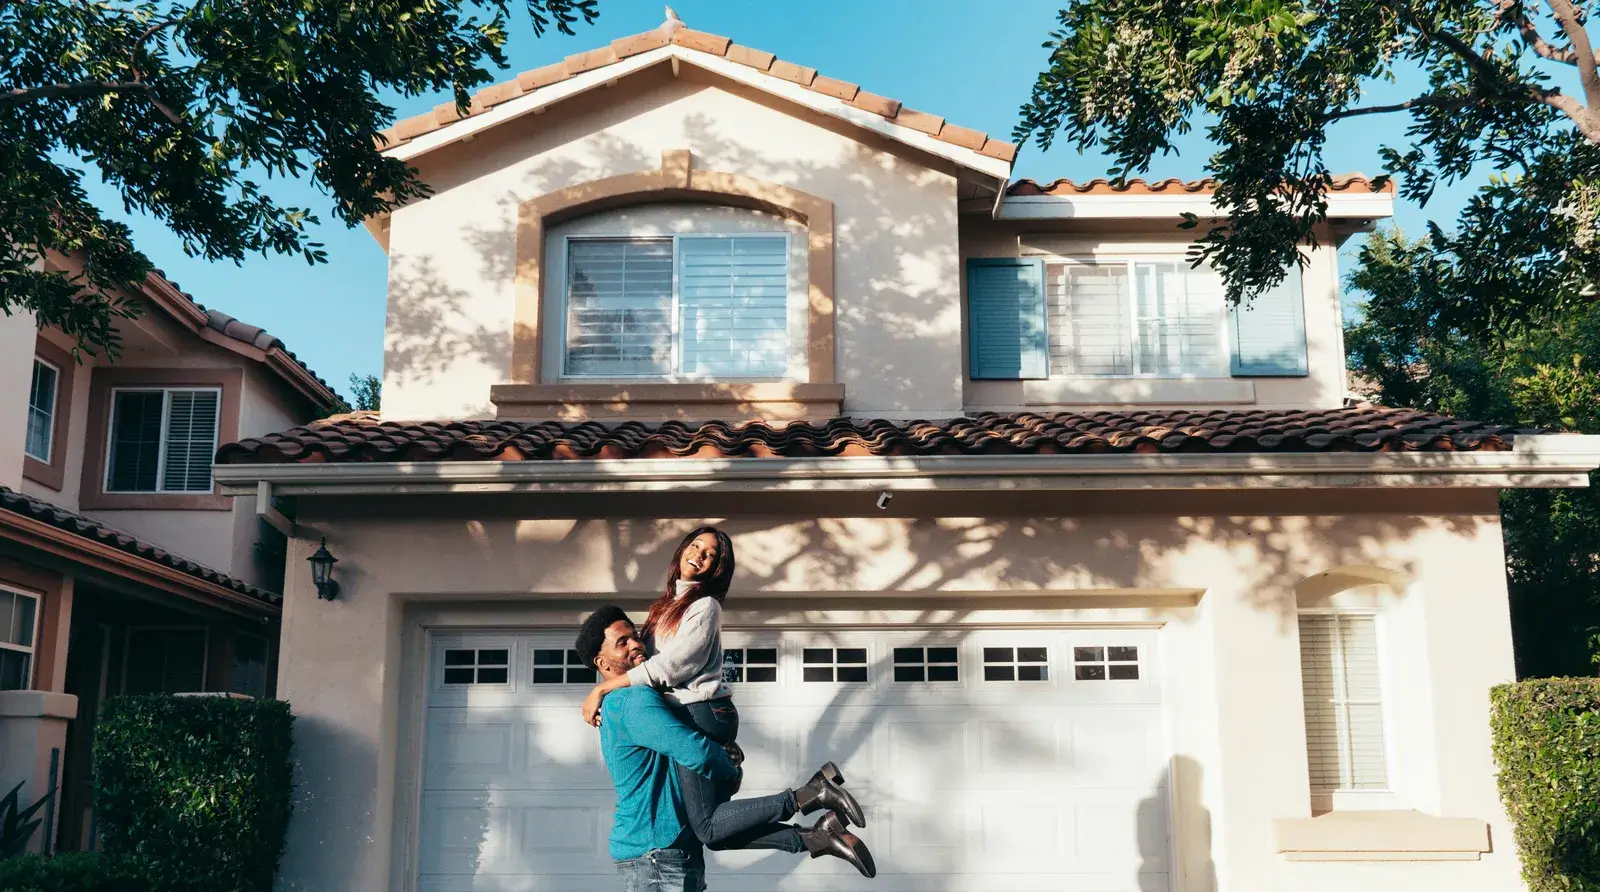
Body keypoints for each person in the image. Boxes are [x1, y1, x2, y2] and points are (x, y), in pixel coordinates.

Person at [580, 528, 870, 840]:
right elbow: (646, 665)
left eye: (710, 555)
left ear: (716, 569)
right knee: (717, 830)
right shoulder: (664, 607)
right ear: (681, 551)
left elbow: (674, 666)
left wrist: (602, 688)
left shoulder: (705, 606)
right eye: (695, 546)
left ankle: (810, 794)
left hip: (701, 710)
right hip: (690, 712)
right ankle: (818, 837)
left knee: (708, 827)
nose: (699, 555)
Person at [575, 605, 877, 891]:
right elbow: (697, 754)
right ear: (603, 663)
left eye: (635, 636)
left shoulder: (634, 699)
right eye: (622, 643)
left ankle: (815, 823)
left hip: (668, 850)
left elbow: (696, 769)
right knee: (714, 831)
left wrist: (724, 761)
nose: (636, 645)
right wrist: (728, 767)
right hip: (656, 853)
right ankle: (813, 813)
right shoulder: (632, 701)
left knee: (716, 831)